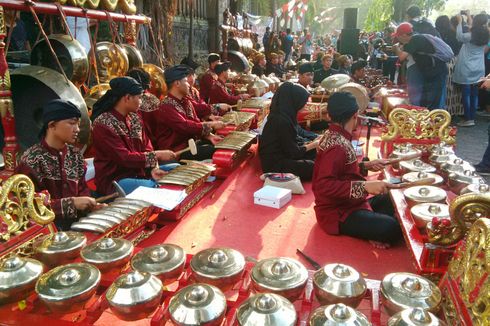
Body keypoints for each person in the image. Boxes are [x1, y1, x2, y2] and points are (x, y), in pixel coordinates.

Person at [312, 92, 402, 248]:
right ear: (355, 115)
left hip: (350, 202)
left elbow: (341, 169)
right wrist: (364, 186)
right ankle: (370, 227)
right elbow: (323, 185)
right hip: (337, 212)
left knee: (390, 195)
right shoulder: (337, 147)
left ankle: (369, 225)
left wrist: (366, 165)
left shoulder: (333, 135)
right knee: (392, 228)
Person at [16, 100, 99, 230]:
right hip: (47, 231)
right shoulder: (31, 160)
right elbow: (28, 207)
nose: (77, 129)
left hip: (78, 226)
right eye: (72, 123)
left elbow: (83, 189)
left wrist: (90, 205)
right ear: (52, 125)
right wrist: (71, 204)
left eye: (77, 124)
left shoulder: (75, 155)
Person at [91, 77, 176, 195]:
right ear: (127, 98)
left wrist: (154, 168)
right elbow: (124, 158)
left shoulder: (134, 118)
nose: (141, 102)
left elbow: (148, 148)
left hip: (140, 173)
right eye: (139, 97)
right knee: (154, 187)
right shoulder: (103, 124)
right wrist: (158, 155)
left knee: (177, 168)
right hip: (117, 180)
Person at [142, 65, 225, 161]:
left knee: (222, 144)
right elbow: (185, 126)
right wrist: (211, 124)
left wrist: (210, 136)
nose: (189, 85)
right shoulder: (166, 106)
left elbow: (196, 122)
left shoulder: (186, 102)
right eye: (185, 81)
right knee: (215, 151)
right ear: (177, 83)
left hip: (191, 146)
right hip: (176, 153)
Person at [259, 82, 320, 181]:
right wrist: (313, 144)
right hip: (275, 164)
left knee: (316, 154)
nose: (305, 104)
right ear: (294, 100)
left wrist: (313, 141)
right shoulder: (281, 120)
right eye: (303, 101)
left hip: (285, 155)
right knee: (313, 167)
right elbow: (293, 152)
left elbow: (295, 139)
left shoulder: (285, 115)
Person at [393, 22, 450, 110]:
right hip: (433, 72)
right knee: (430, 100)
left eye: (397, 36)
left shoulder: (414, 40)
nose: (397, 39)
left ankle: (435, 121)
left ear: (403, 35)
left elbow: (401, 57)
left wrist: (395, 48)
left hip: (437, 72)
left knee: (435, 102)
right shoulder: (417, 38)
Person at [453, 13, 489, 127]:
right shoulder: (486, 34)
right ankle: (472, 117)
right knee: (475, 94)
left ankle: (468, 118)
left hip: (467, 67)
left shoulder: (470, 35)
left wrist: (459, 22)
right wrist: (468, 16)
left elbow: (459, 36)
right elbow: (472, 28)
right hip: (479, 67)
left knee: (466, 93)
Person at [435, 15, 464, 116]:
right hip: (457, 61)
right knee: (456, 87)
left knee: (446, 87)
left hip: (445, 62)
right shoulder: (455, 34)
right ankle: (456, 110)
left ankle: (445, 111)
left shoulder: (439, 34)